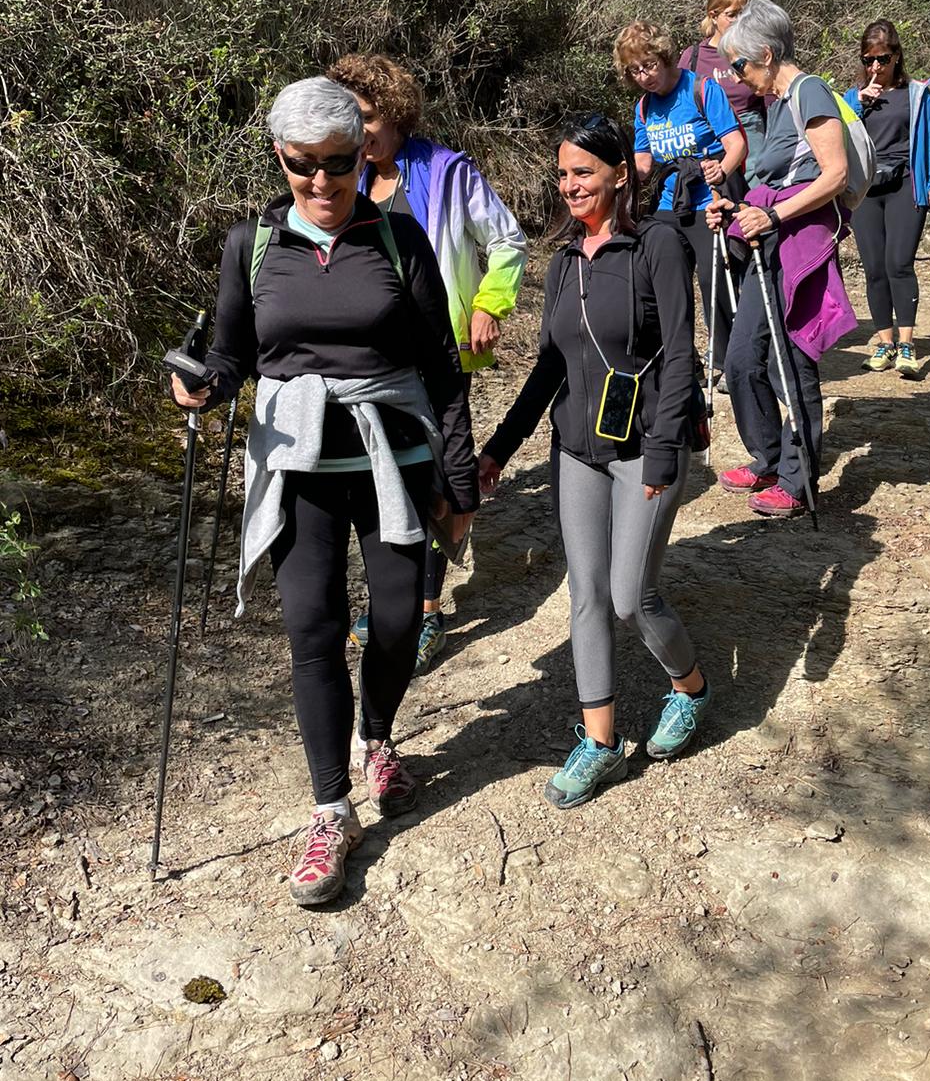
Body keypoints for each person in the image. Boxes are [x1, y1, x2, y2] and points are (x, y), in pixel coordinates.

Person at [169, 77, 478, 907]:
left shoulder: (398, 239)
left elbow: (444, 370)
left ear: (360, 155)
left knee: (398, 619)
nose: (321, 183)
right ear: (280, 157)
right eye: (303, 166)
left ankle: (378, 735)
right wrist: (205, 384)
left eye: (338, 165)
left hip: (392, 459)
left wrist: (458, 477)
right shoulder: (253, 244)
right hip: (296, 467)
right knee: (312, 632)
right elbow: (235, 352)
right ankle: (330, 809)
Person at [477, 115, 708, 809]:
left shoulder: (657, 244)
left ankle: (689, 687)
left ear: (617, 173)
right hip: (575, 449)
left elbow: (678, 358)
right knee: (586, 596)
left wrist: (666, 451)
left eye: (584, 171)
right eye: (563, 174)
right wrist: (499, 448)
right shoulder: (566, 260)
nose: (571, 185)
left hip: (644, 449)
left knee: (631, 597)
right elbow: (549, 367)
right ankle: (600, 741)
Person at [327, 54, 527, 670]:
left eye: (366, 119)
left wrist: (490, 304)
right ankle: (398, 595)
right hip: (369, 359)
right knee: (384, 478)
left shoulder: (446, 172)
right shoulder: (347, 177)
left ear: (394, 113)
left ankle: (428, 607)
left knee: (434, 475)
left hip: (439, 353)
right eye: (349, 121)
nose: (359, 134)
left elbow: (507, 239)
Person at [708, 0, 856, 518]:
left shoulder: (809, 91)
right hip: (766, 240)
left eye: (740, 66)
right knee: (742, 359)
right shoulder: (776, 103)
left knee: (791, 360)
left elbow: (834, 174)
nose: (737, 77)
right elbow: (775, 178)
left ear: (766, 55)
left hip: (798, 244)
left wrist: (772, 217)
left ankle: (798, 479)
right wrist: (735, 209)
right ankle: (767, 456)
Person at [614, 20, 746, 374]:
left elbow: (736, 144)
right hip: (669, 202)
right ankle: (678, 357)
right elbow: (644, 161)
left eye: (650, 65)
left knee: (712, 278)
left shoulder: (701, 89)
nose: (644, 76)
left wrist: (723, 168)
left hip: (709, 200)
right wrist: (622, 175)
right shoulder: (644, 108)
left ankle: (728, 360)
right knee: (660, 280)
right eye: (635, 70)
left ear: (666, 56)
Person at [843, 19, 930, 379]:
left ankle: (907, 344)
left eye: (883, 59)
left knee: (899, 264)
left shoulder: (918, 94)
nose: (876, 67)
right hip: (866, 190)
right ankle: (884, 343)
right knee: (874, 268)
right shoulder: (850, 97)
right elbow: (839, 137)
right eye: (869, 59)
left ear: (897, 56)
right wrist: (858, 103)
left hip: (906, 183)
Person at [678, 0, 769, 171]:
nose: (738, 21)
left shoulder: (754, 51)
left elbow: (770, 96)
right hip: (710, 137)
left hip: (752, 134)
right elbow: (681, 102)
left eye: (743, 14)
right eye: (731, 15)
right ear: (713, 15)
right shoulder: (693, 57)